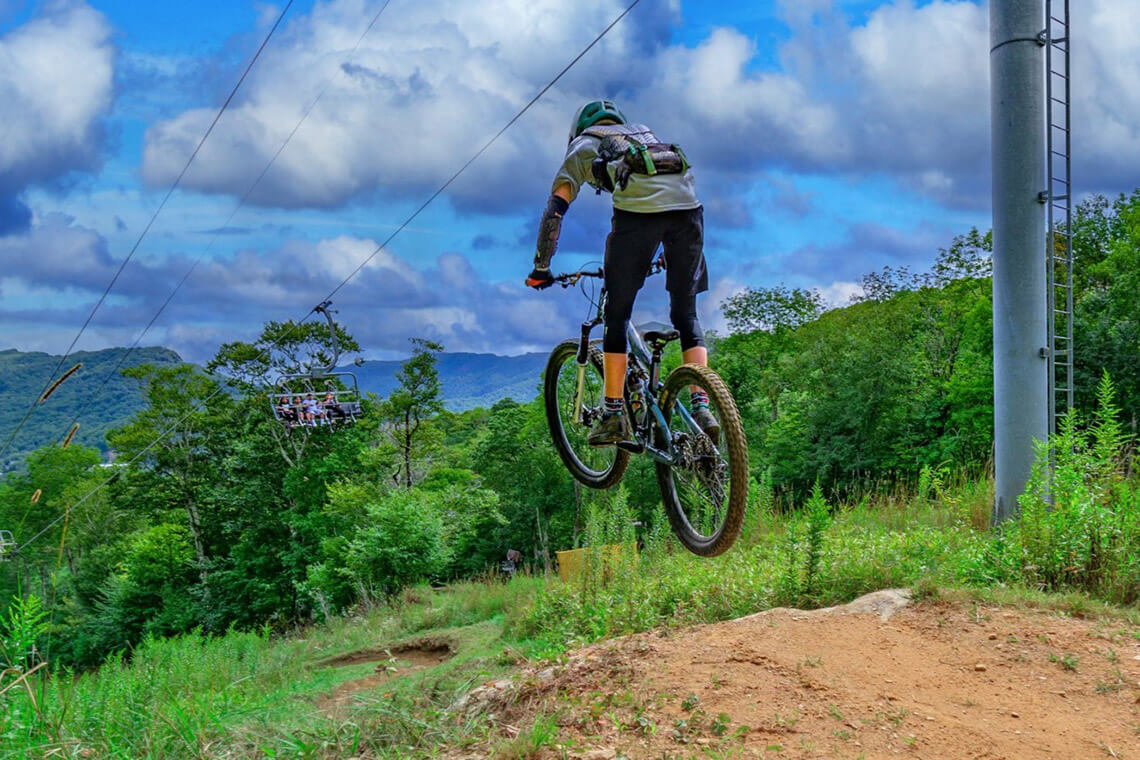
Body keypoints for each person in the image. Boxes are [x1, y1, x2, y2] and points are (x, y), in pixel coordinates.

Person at [525, 99, 718, 446]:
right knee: (686, 313)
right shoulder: (644, 134)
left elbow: (555, 210)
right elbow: (664, 193)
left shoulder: (581, 147)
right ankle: (703, 404)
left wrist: (541, 267)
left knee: (616, 314)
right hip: (690, 209)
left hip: (638, 217)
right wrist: (660, 252)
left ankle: (613, 413)